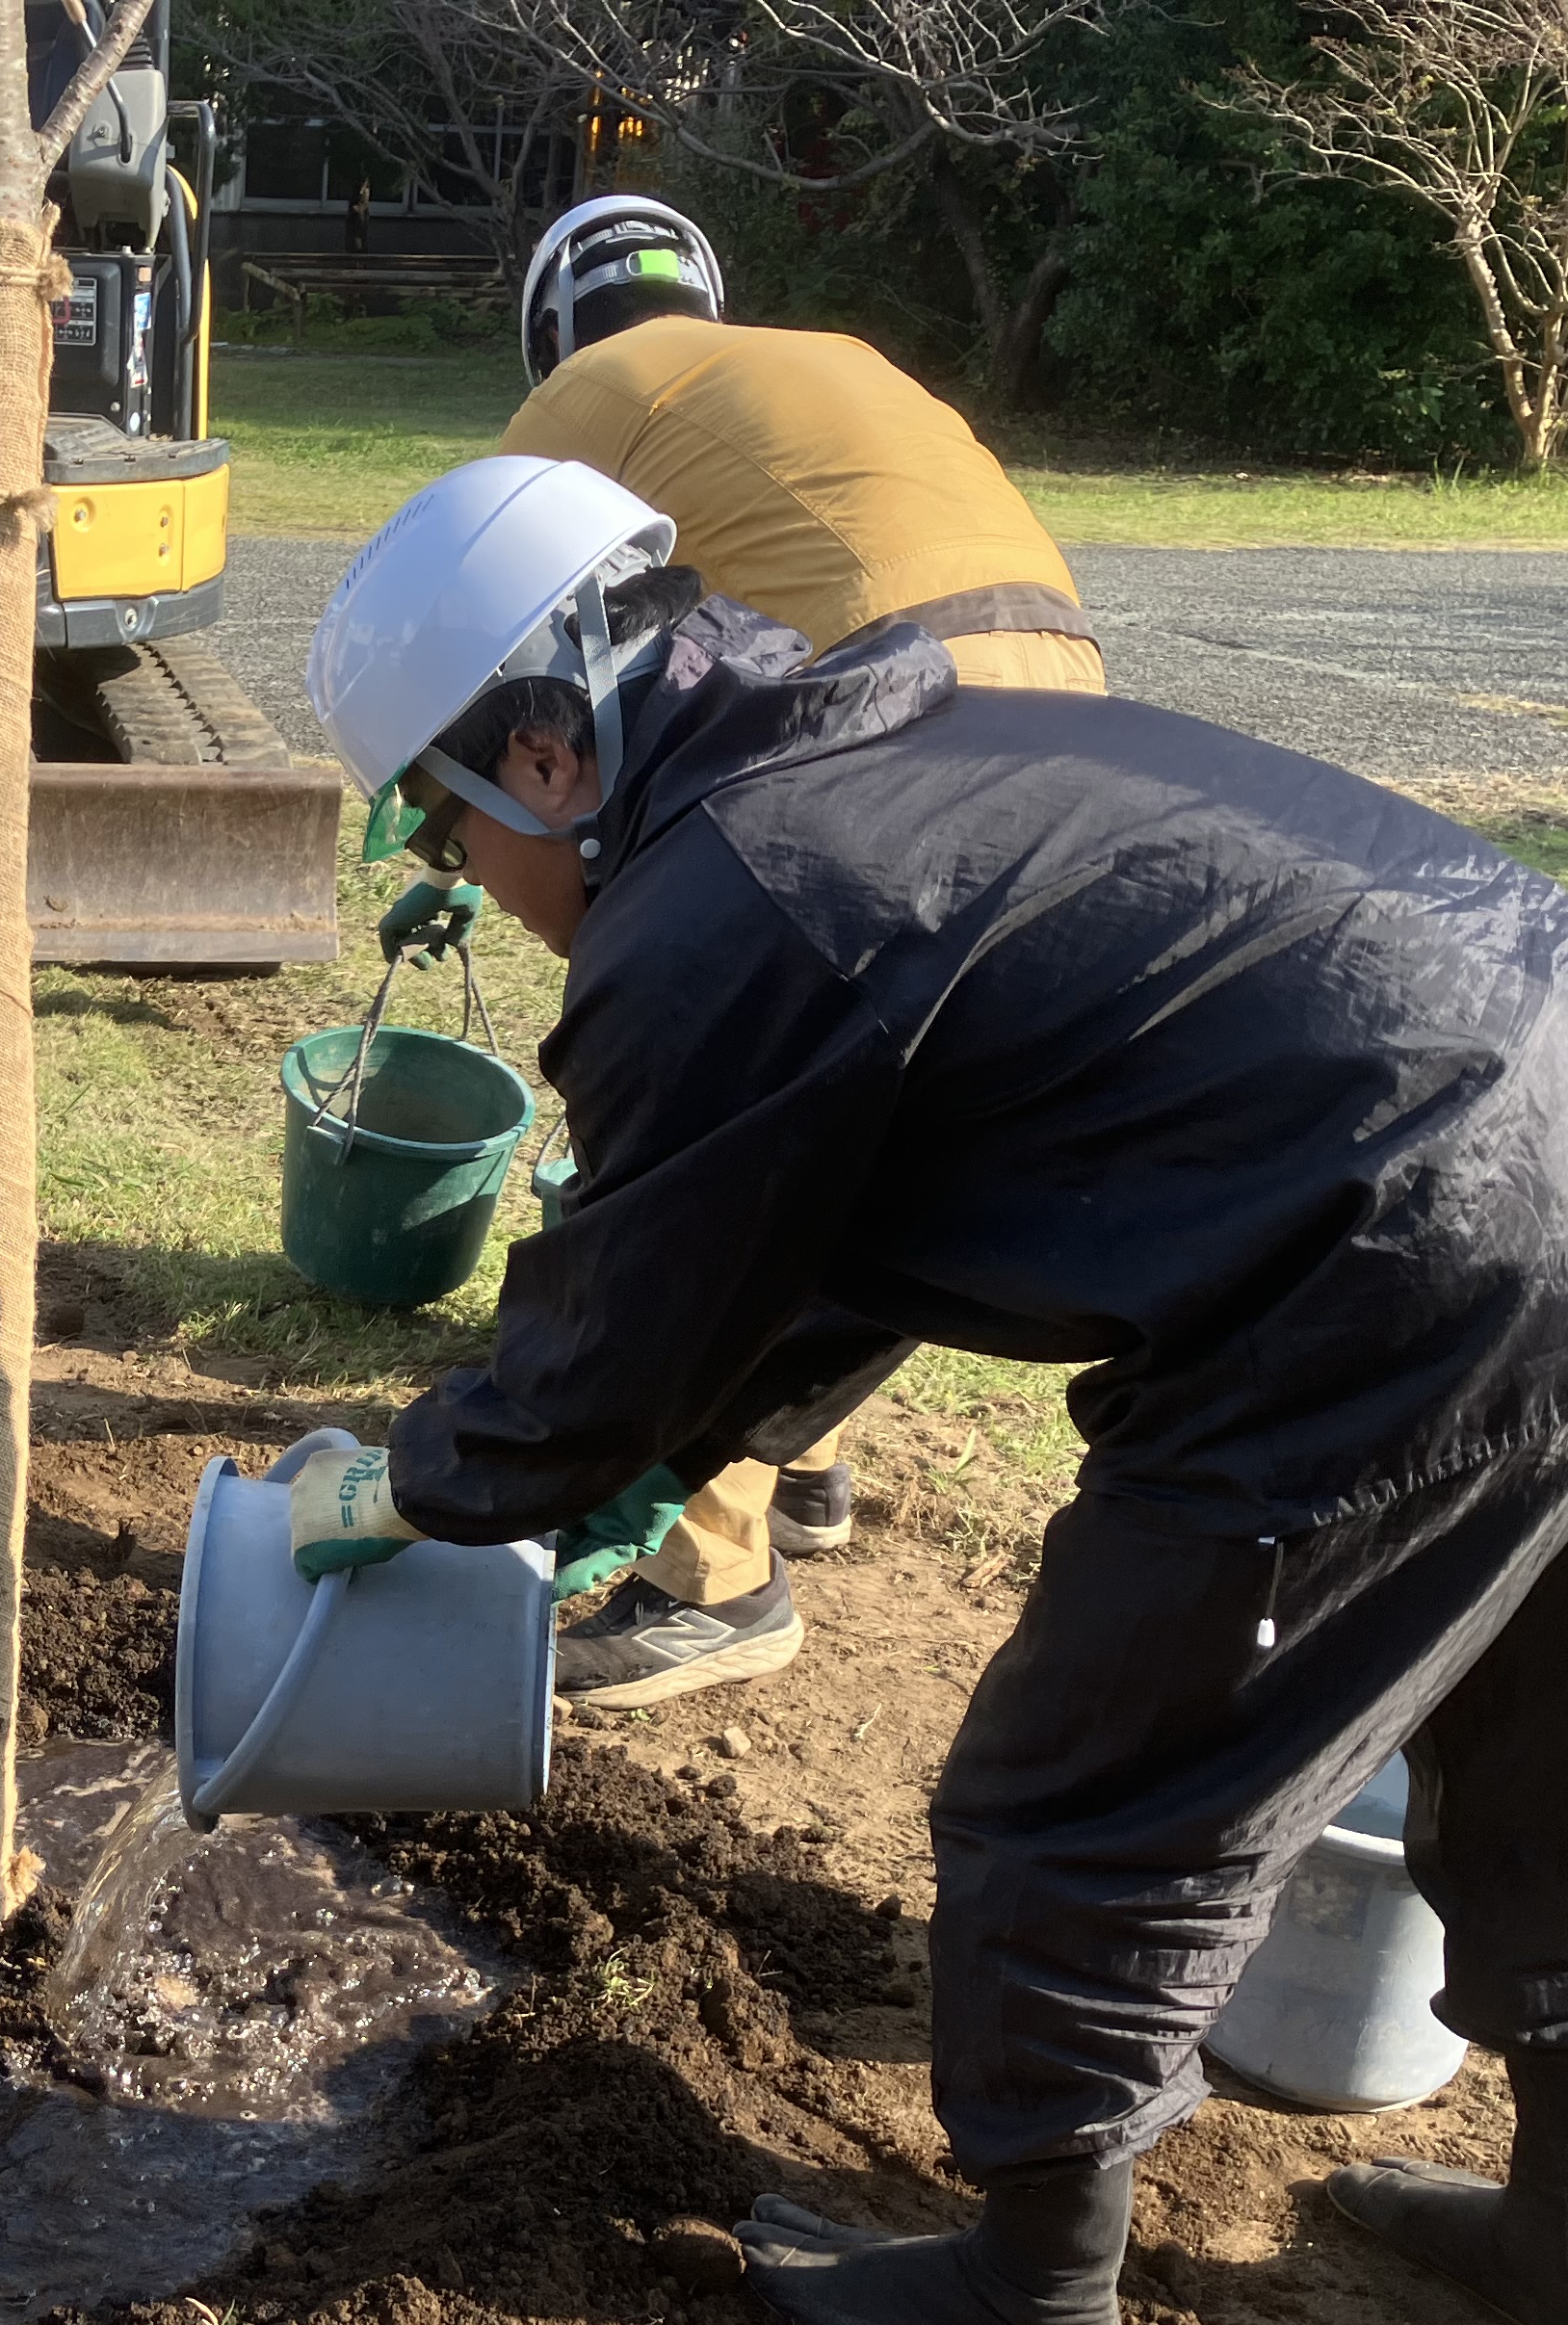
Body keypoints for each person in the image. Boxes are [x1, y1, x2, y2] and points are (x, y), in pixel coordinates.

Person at [288, 456, 1568, 2325]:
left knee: (1092, 1787)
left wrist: (430, 1477)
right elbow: (823, 1264)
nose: (465, 880)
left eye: (445, 826)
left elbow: (600, 1347)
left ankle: (1029, 2296)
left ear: (546, 753)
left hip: (1412, 1257)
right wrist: (674, 1455)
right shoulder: (903, 753)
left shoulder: (722, 907)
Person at [499, 195, 1111, 1709]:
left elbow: (509, 677)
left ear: (551, 335)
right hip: (1064, 691)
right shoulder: (812, 363)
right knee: (884, 1092)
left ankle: (711, 1569)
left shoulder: (576, 406)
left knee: (731, 1104)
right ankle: (814, 1462)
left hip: (874, 705)